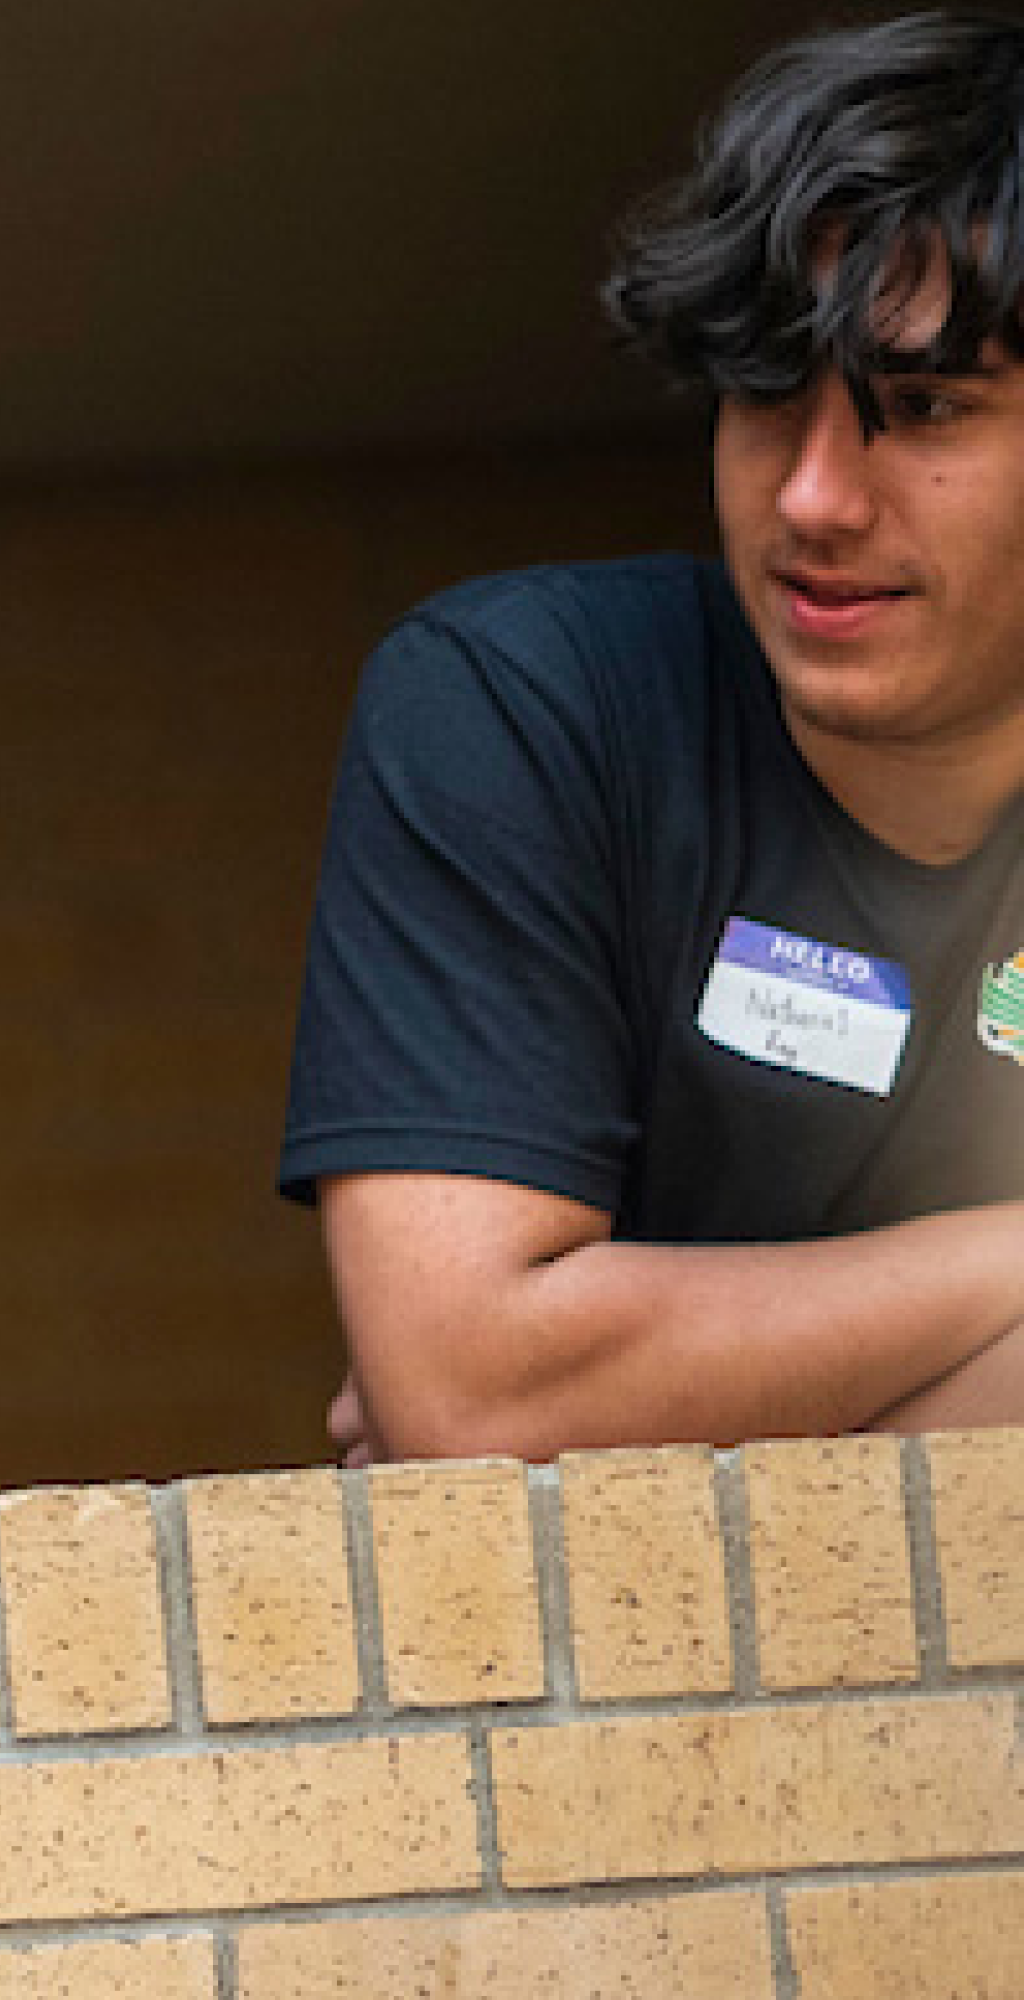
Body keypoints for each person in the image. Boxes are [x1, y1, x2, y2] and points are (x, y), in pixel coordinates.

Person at [283, 10, 1024, 1464]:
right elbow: (476, 1391)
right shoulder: (524, 704)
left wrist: (629, 1414)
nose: (811, 496)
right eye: (763, 396)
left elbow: (489, 1412)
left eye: (923, 406)